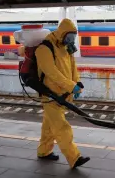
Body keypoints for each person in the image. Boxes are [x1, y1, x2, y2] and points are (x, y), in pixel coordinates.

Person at [35, 18, 90, 169]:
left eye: (73, 37)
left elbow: (72, 66)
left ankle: (43, 151)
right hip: (51, 95)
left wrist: (77, 82)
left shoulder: (66, 46)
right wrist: (71, 86)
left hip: (63, 94)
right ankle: (74, 157)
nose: (71, 40)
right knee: (61, 127)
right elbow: (51, 73)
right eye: (69, 37)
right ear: (62, 33)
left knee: (48, 126)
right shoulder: (44, 48)